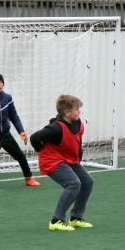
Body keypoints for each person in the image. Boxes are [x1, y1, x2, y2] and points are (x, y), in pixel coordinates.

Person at [30, 94, 94, 231]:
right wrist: (41, 150)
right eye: (77, 109)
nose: (80, 111)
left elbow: (77, 141)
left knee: (87, 181)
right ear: (67, 112)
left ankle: (76, 218)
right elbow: (34, 138)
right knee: (73, 183)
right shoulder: (55, 128)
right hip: (51, 161)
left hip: (69, 160)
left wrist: (78, 155)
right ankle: (56, 220)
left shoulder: (78, 123)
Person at [0, 73, 40, 190]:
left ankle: (29, 179)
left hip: (5, 135)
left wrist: (21, 131)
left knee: (21, 156)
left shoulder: (8, 98)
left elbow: (14, 116)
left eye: (1, 82)